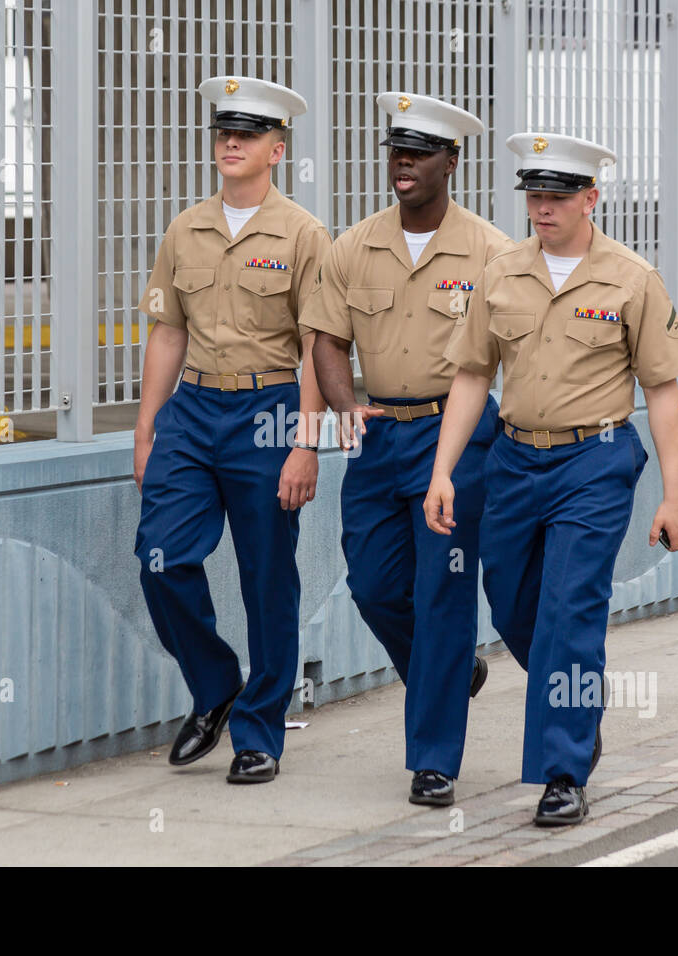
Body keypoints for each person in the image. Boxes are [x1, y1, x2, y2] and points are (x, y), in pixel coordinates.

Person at [424, 132, 678, 825]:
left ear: (591, 199)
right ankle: (572, 702)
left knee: (570, 610)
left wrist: (674, 494)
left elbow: (661, 390)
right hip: (513, 459)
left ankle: (562, 771)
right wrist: (443, 472)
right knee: (514, 605)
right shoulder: (502, 272)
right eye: (534, 196)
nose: (542, 209)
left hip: (595, 462)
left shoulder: (631, 278)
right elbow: (473, 375)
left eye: (557, 197)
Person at [301, 93, 511, 807]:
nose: (403, 162)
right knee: (374, 585)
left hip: (457, 436)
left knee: (442, 592)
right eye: (396, 150)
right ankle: (452, 672)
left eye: (419, 152)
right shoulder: (353, 247)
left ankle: (433, 760)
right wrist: (341, 407)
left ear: (452, 161)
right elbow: (326, 338)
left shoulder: (490, 251)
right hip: (379, 437)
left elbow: (508, 353)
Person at [133, 76, 331, 784]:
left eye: (247, 135)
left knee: (266, 576)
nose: (232, 143)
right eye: (224, 133)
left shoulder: (304, 234)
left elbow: (318, 346)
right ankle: (216, 686)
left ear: (277, 149)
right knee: (161, 555)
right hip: (192, 410)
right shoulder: (186, 229)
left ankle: (260, 731)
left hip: (269, 411)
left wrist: (306, 441)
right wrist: (147, 428)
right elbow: (167, 332)